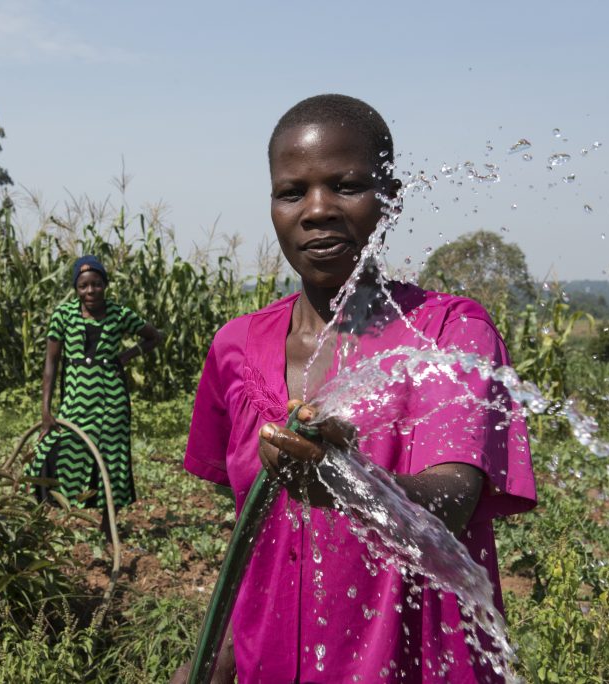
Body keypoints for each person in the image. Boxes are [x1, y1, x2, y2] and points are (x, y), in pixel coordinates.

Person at [177, 95, 537, 683]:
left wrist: (343, 479)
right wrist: (212, 667)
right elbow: (251, 544)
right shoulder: (236, 350)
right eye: (292, 192)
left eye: (346, 186)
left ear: (388, 198)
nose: (317, 210)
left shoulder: (446, 336)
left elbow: (453, 501)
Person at [29, 255, 161, 516]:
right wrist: (46, 411)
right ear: (76, 289)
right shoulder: (63, 315)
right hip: (75, 400)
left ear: (105, 284)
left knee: (111, 459)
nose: (90, 291)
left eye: (96, 284)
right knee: (53, 447)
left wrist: (127, 356)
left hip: (112, 402)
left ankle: (108, 524)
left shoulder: (120, 314)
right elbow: (50, 365)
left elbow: (154, 336)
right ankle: (50, 508)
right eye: (84, 286)